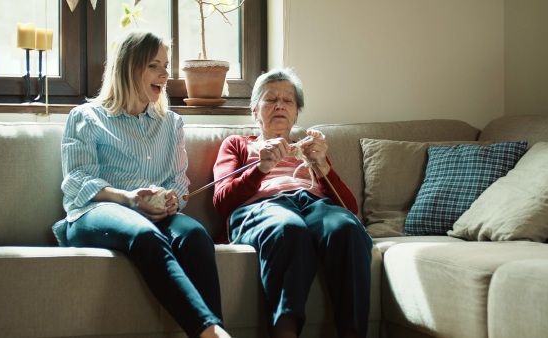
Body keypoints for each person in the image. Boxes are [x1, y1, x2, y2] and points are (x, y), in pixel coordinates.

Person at [52, 30, 231, 338]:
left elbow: (178, 179)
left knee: (196, 237)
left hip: (155, 214)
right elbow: (77, 181)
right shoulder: (86, 116)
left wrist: (174, 198)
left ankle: (216, 330)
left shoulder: (171, 123)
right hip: (95, 211)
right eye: (154, 65)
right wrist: (128, 198)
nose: (165, 73)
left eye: (166, 64)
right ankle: (210, 333)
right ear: (128, 67)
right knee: (145, 234)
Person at [212, 68, 373, 338]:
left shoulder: (309, 149)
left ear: (297, 112)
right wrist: (260, 168)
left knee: (347, 227)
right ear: (254, 111)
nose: (279, 105)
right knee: (288, 227)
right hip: (264, 207)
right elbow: (221, 202)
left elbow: (349, 209)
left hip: (313, 205)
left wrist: (322, 165)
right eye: (270, 99)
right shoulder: (237, 144)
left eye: (288, 100)